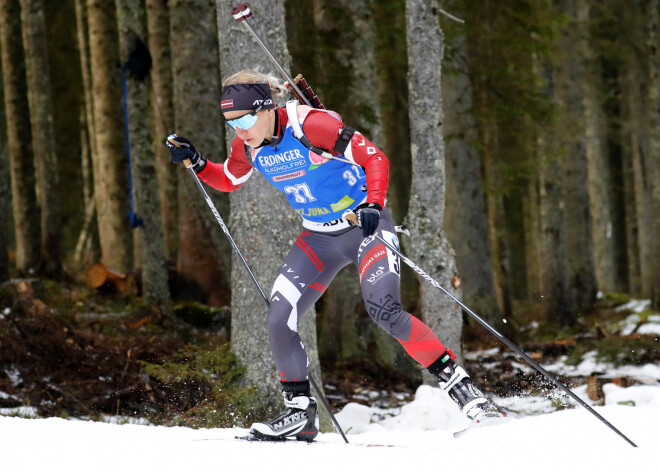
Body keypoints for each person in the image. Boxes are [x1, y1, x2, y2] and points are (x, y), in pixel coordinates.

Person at [167, 69, 505, 441]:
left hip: (365, 227)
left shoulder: (311, 125)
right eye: (231, 123)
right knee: (280, 317)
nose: (240, 130)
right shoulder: (246, 145)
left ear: (267, 109)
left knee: (385, 311)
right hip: (318, 239)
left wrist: (373, 204)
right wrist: (197, 161)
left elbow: (376, 159)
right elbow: (229, 179)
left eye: (245, 119)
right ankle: (300, 412)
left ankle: (469, 396)